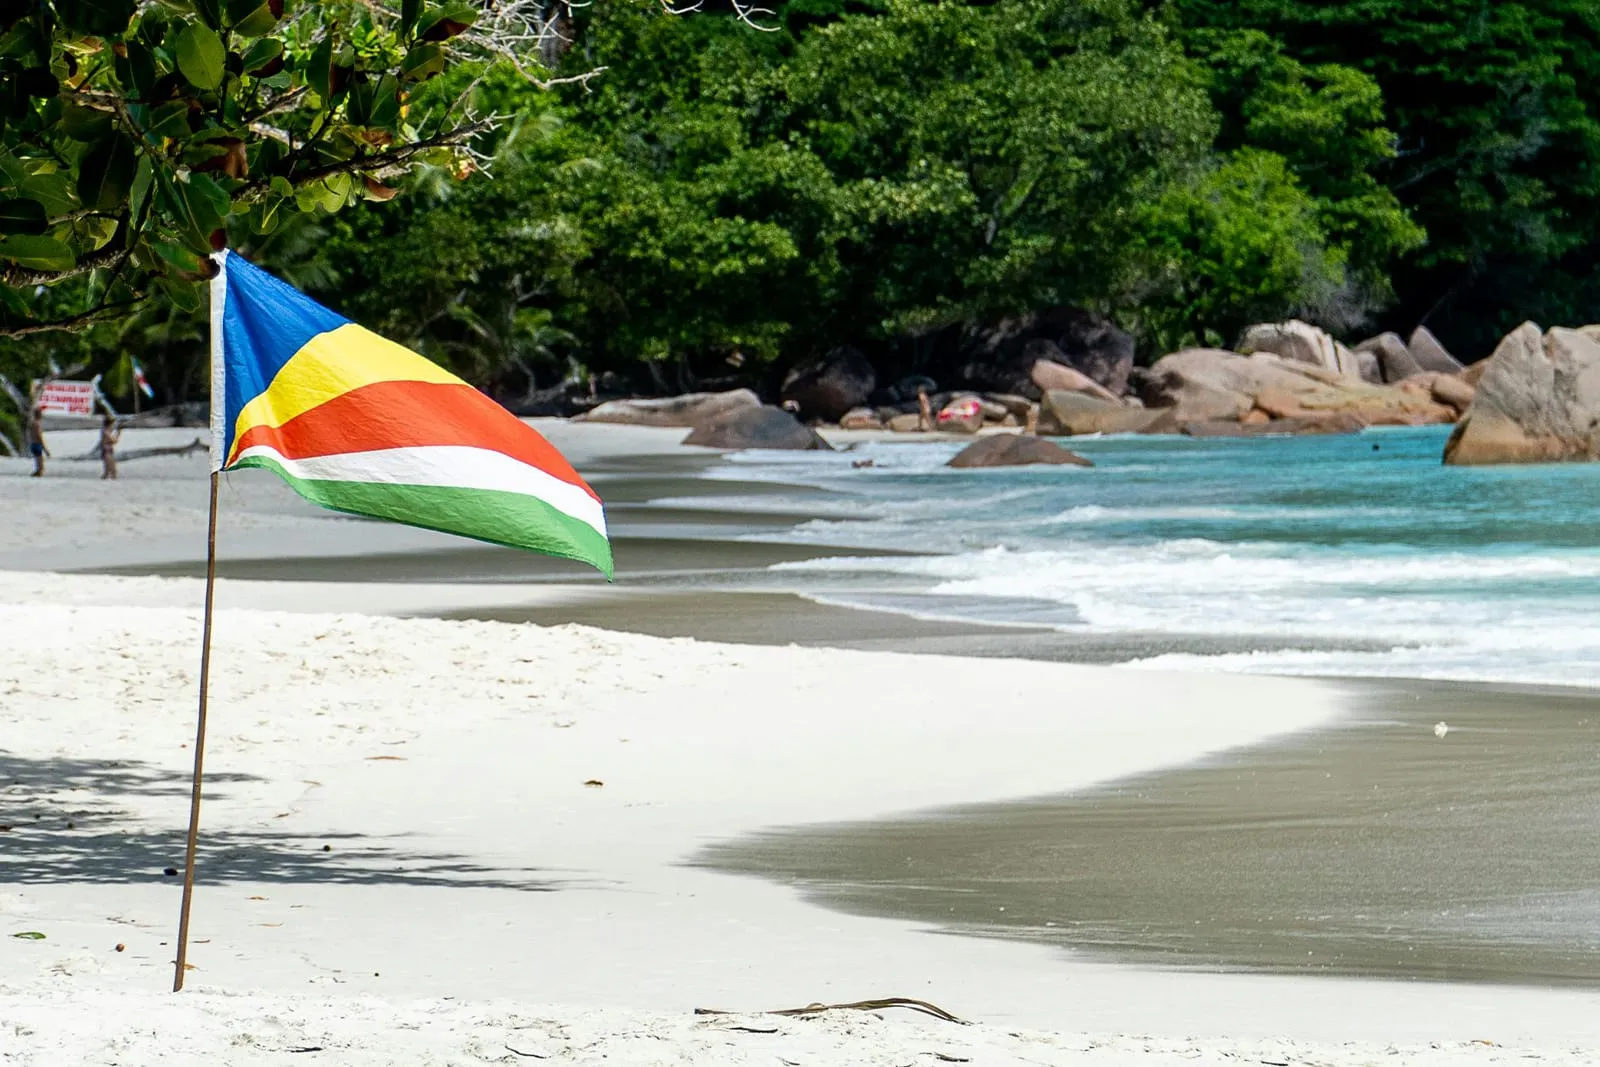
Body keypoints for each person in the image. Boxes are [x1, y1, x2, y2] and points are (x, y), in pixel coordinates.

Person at [24, 406, 47, 478]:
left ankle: (37, 472)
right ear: (39, 414)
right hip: (37, 443)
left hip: (32, 443)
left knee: (37, 460)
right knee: (40, 462)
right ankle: (38, 473)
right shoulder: (37, 424)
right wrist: (45, 448)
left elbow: (29, 434)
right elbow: (38, 435)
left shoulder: (32, 423)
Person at [99, 413, 120, 480]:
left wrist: (118, 433)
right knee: (111, 468)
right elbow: (114, 441)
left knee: (108, 469)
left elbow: (113, 441)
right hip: (107, 450)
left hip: (107, 450)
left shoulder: (106, 430)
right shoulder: (106, 431)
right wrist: (118, 433)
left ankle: (108, 477)